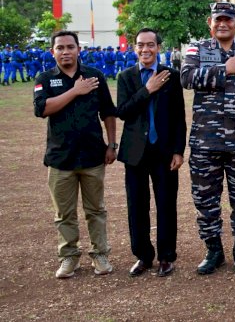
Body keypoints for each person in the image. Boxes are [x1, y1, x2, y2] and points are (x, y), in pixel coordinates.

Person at [181, 2, 235, 276]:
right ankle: (213, 251)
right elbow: (186, 78)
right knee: (205, 200)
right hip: (205, 142)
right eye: (218, 19)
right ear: (211, 22)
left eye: (228, 20)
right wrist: (225, 69)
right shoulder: (197, 49)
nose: (223, 24)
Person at [33, 30, 118, 279]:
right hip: (61, 158)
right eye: (60, 48)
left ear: (79, 49)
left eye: (70, 47)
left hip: (93, 156)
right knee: (64, 214)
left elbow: (108, 113)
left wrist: (112, 145)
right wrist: (75, 91)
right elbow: (42, 109)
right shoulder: (45, 78)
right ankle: (69, 257)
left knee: (96, 210)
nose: (65, 52)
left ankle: (100, 254)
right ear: (53, 52)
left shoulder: (95, 76)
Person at [116, 28, 186, 278]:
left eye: (150, 45)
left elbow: (179, 116)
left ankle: (167, 256)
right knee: (137, 205)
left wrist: (179, 150)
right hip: (136, 152)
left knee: (166, 204)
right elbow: (123, 111)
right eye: (140, 45)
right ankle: (143, 255)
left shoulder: (171, 75)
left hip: (165, 151)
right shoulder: (126, 77)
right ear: (134, 48)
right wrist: (147, 89)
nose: (145, 50)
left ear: (159, 47)